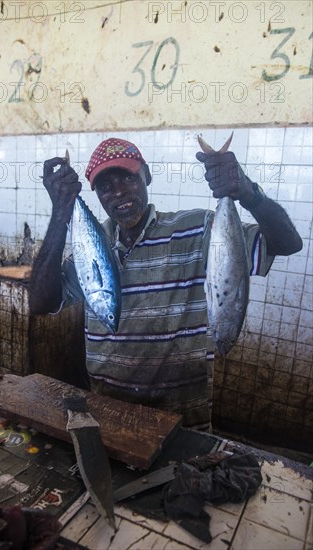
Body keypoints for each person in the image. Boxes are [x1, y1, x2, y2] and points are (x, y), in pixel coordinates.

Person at [29, 137, 302, 431]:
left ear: (146, 175)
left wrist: (248, 193)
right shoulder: (91, 246)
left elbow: (287, 243)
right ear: (97, 195)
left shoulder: (198, 230)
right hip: (108, 411)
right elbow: (40, 303)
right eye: (106, 187)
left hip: (183, 419)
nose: (119, 193)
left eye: (128, 178)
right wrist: (61, 211)